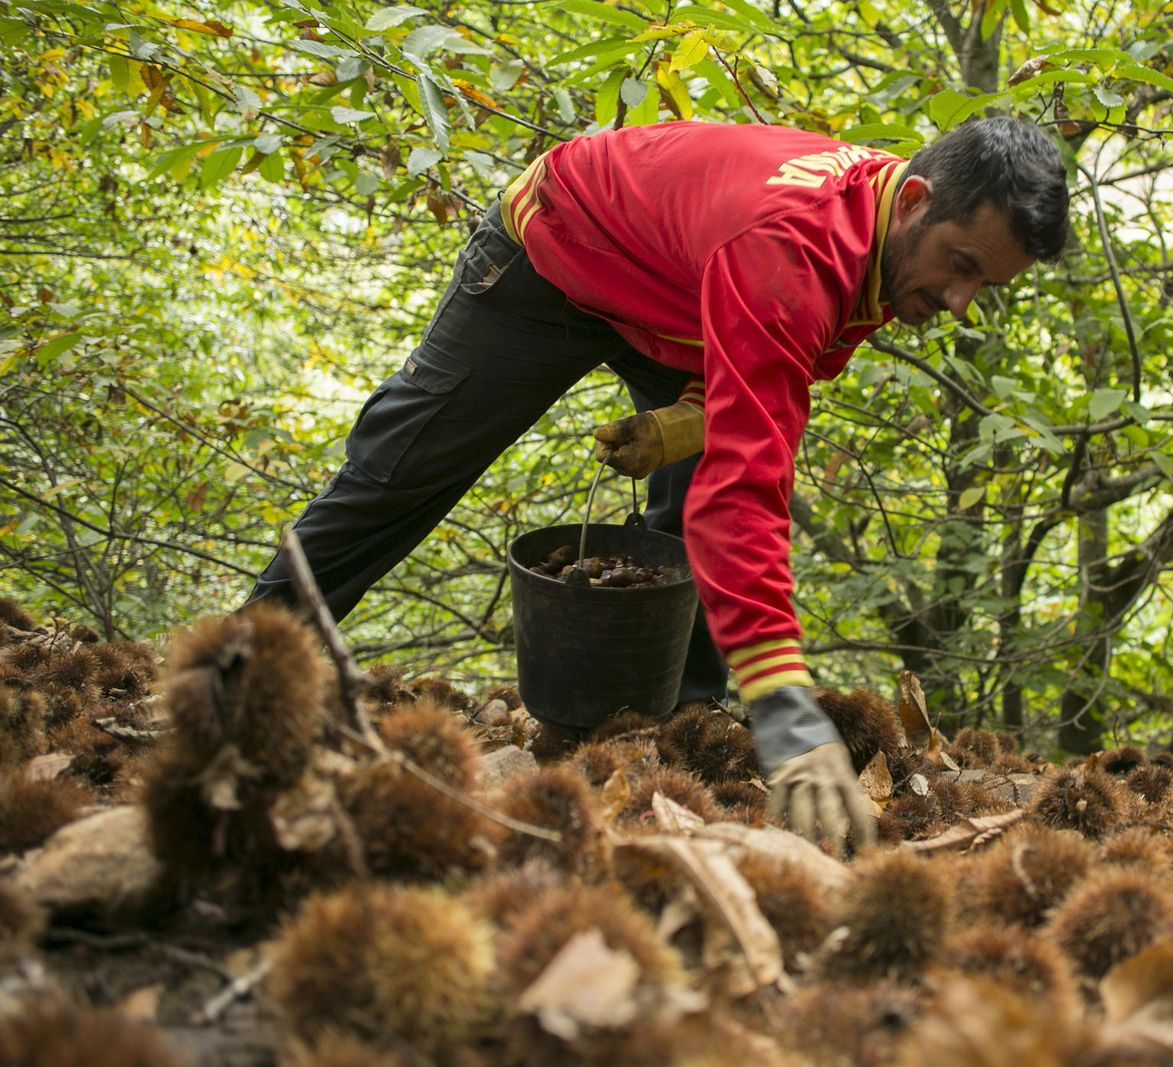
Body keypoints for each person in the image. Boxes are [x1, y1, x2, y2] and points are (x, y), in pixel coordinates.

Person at [246, 115, 1067, 849]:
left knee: (689, 495)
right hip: (558, 253)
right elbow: (748, 485)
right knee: (402, 472)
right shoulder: (793, 251)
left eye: (983, 287)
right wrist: (784, 697)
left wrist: (680, 423)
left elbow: (759, 386)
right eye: (959, 266)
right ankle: (241, 666)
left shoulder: (888, 230)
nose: (959, 302)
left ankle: (687, 718)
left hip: (679, 298)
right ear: (917, 198)